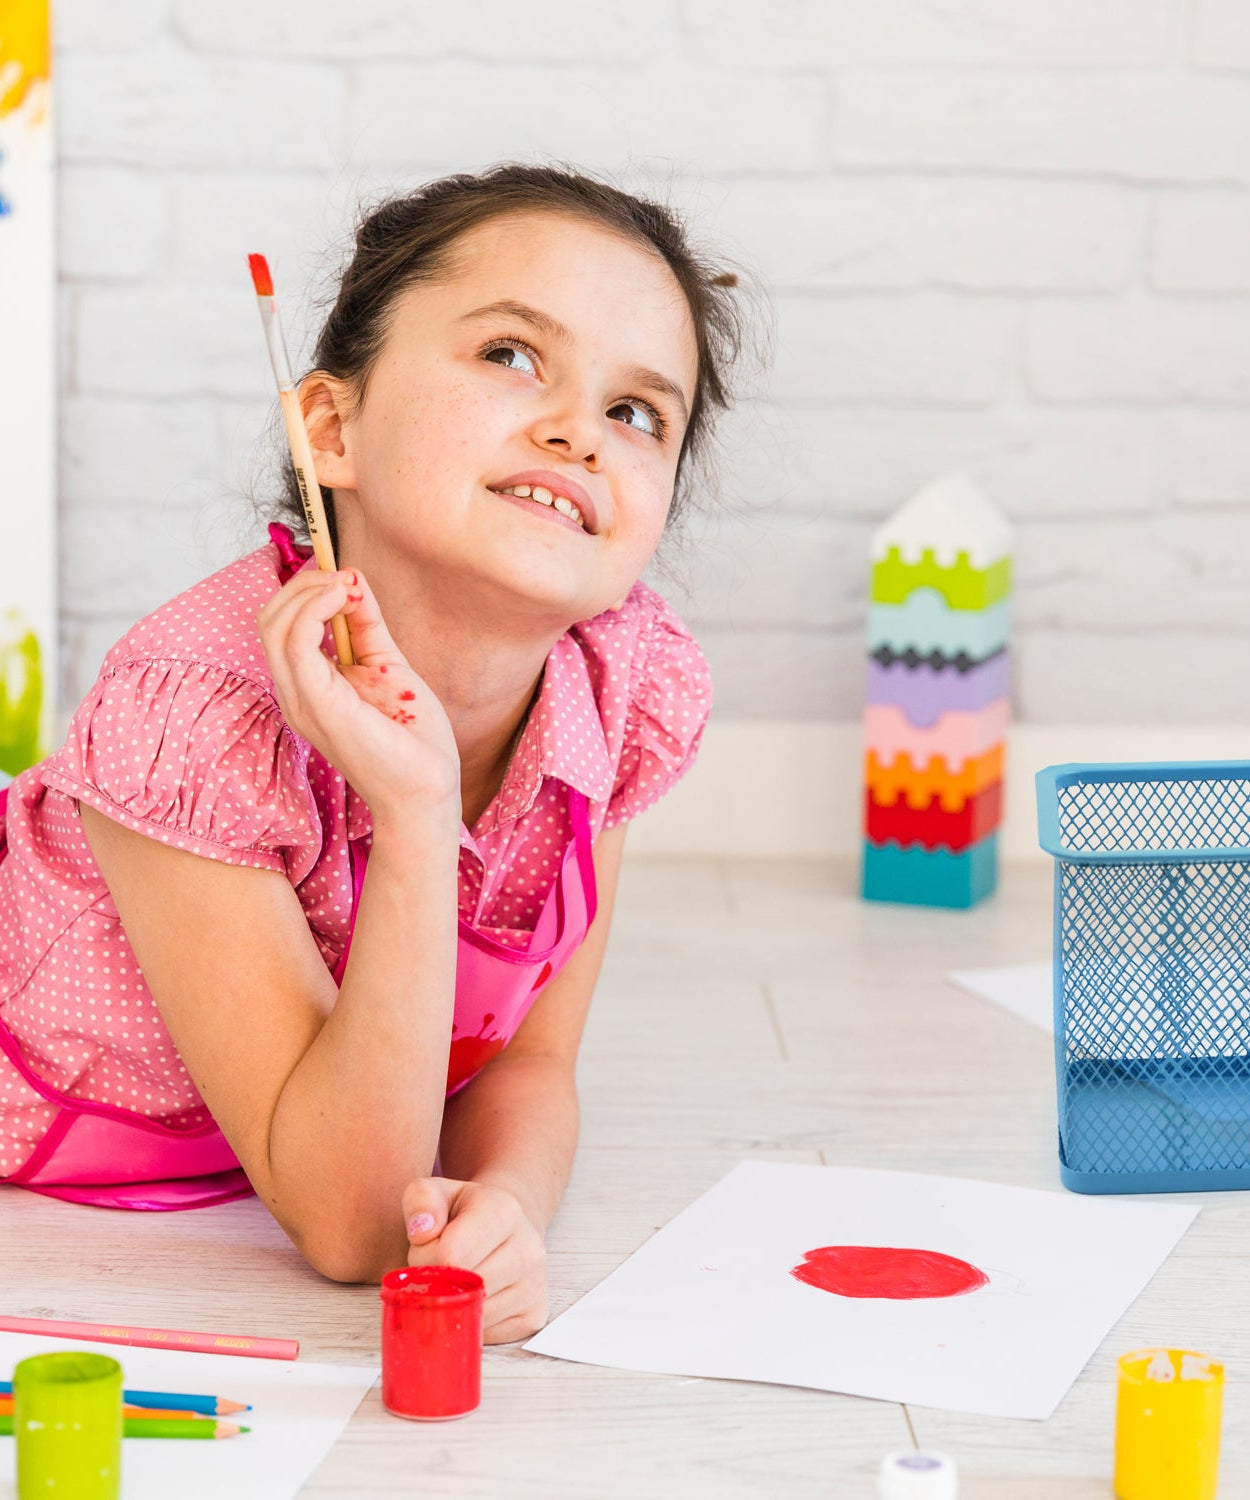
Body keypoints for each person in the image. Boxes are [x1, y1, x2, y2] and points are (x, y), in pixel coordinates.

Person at [0, 164, 744, 1342]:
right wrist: (415, 813)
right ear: (331, 430)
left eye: (636, 413)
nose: (577, 432)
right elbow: (351, 1226)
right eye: (511, 354)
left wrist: (505, 1205)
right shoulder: (197, 714)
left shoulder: (615, 693)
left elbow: (525, 1067)